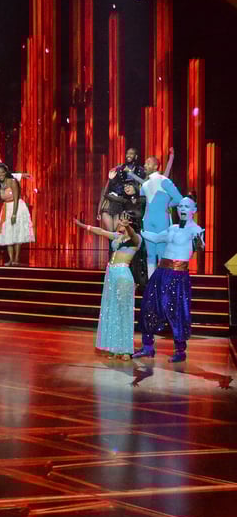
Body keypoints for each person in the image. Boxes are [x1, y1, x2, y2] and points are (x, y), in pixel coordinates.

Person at [136, 196, 204, 362]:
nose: (182, 209)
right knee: (149, 305)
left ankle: (180, 351)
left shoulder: (195, 230)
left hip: (178, 275)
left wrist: (199, 242)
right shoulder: (172, 228)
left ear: (194, 210)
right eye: (180, 206)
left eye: (186, 206)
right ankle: (147, 347)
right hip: (161, 272)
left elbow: (201, 246)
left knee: (177, 311)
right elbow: (156, 238)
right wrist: (139, 230)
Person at [73, 213, 141, 360]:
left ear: (130, 222)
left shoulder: (136, 239)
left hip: (123, 275)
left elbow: (134, 236)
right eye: (120, 220)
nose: (119, 222)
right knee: (113, 311)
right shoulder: (118, 236)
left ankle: (126, 350)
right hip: (111, 275)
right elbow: (100, 231)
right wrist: (82, 225)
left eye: (122, 220)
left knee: (123, 312)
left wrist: (128, 227)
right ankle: (114, 348)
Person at [130, 150, 181, 277]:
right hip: (148, 221)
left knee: (162, 253)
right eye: (145, 163)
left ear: (156, 166)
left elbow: (179, 199)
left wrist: (167, 205)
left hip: (161, 221)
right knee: (150, 255)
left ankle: (163, 281)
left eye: (148, 163)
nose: (145, 166)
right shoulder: (145, 185)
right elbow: (142, 201)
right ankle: (152, 282)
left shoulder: (164, 181)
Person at [0, 163, 33, 266]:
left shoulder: (12, 181)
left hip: (17, 208)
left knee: (17, 233)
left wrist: (14, 214)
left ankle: (16, 259)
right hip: (6, 208)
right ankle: (11, 259)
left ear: (6, 172)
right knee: (8, 233)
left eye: (2, 172)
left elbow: (16, 198)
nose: (0, 174)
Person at [97, 147, 143, 231]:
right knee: (112, 233)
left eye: (131, 153)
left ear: (136, 156)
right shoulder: (118, 169)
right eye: (127, 153)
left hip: (125, 207)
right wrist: (99, 210)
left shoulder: (141, 171)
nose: (128, 155)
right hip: (111, 204)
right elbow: (106, 189)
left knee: (117, 232)